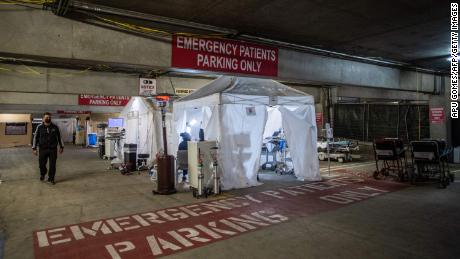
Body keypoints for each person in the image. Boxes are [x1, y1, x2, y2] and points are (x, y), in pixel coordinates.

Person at [32, 112, 64, 185]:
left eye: (49, 117)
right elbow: (35, 138)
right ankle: (43, 174)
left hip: (53, 149)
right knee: (41, 164)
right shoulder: (39, 127)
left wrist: (61, 147)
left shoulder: (55, 127)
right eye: (46, 117)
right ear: (43, 119)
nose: (48, 118)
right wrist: (34, 148)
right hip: (43, 149)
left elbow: (59, 137)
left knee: (52, 165)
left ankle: (51, 178)